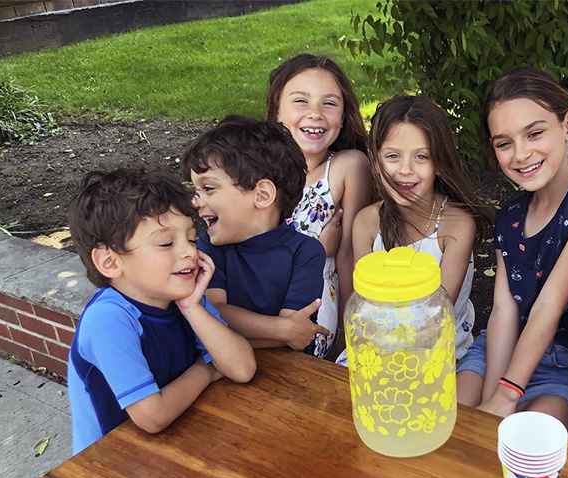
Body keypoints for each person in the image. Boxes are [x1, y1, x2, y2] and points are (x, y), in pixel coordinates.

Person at [455, 67, 568, 437]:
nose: (521, 153)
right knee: (452, 431)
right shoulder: (509, 215)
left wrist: (506, 396)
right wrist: (493, 396)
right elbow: (503, 309)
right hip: (496, 353)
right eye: (504, 143)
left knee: (529, 446)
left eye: (534, 133)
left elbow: (549, 306)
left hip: (563, 366)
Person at [67, 168, 256, 453]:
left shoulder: (183, 297)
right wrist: (205, 371)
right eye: (166, 243)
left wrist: (192, 308)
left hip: (174, 443)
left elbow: (242, 369)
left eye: (191, 238)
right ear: (110, 262)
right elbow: (153, 416)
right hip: (109, 462)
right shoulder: (108, 319)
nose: (190, 252)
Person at [351, 94, 490, 361]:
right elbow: (364, 305)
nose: (406, 169)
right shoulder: (366, 222)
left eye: (422, 157)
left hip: (441, 351)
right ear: (375, 160)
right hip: (378, 346)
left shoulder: (456, 225)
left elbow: (437, 316)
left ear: (439, 164)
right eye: (393, 156)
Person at [180, 115, 330, 352]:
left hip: (289, 370)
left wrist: (285, 332)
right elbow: (213, 314)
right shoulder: (209, 246)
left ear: (262, 195)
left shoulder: (306, 252)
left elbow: (295, 337)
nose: (195, 201)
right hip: (224, 368)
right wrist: (283, 329)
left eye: (208, 188)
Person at [267, 55, 373, 358]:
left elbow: (349, 257)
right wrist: (315, 249)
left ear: (344, 115)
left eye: (329, 103)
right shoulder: (253, 170)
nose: (315, 114)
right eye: (300, 101)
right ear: (277, 110)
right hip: (257, 304)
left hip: (313, 311)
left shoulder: (347, 167)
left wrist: (348, 335)